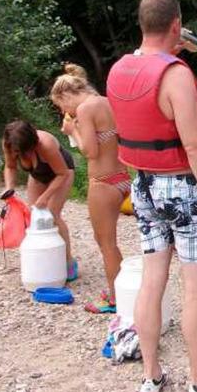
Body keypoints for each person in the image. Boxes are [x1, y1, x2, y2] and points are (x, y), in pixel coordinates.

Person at [106, 0, 197, 392]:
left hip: (143, 185)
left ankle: (151, 378)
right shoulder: (177, 73)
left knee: (152, 280)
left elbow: (146, 105)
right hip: (182, 188)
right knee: (195, 289)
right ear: (175, 25)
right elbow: (196, 147)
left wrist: (169, 52)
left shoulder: (118, 69)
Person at [51, 64, 128, 314]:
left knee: (106, 243)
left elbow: (89, 151)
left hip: (103, 181)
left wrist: (73, 130)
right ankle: (120, 288)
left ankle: (116, 299)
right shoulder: (106, 101)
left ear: (66, 95)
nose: (64, 111)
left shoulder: (84, 109)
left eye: (61, 105)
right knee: (111, 242)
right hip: (122, 176)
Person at [2, 120, 77, 280]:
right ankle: (46, 259)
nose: (19, 154)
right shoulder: (9, 144)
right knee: (35, 217)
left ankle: (68, 261)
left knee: (52, 215)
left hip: (62, 173)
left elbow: (62, 174)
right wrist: (9, 187)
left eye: (24, 150)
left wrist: (45, 197)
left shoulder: (46, 144)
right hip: (37, 175)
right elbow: (10, 167)